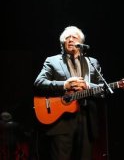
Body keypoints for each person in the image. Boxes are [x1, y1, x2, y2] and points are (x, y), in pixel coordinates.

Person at [33, 25, 104, 160]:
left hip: (87, 119)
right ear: (63, 42)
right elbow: (39, 83)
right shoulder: (52, 61)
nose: (70, 40)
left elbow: (103, 89)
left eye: (74, 37)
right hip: (61, 122)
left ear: (81, 43)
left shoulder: (92, 62)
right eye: (67, 38)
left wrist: (88, 86)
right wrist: (65, 85)